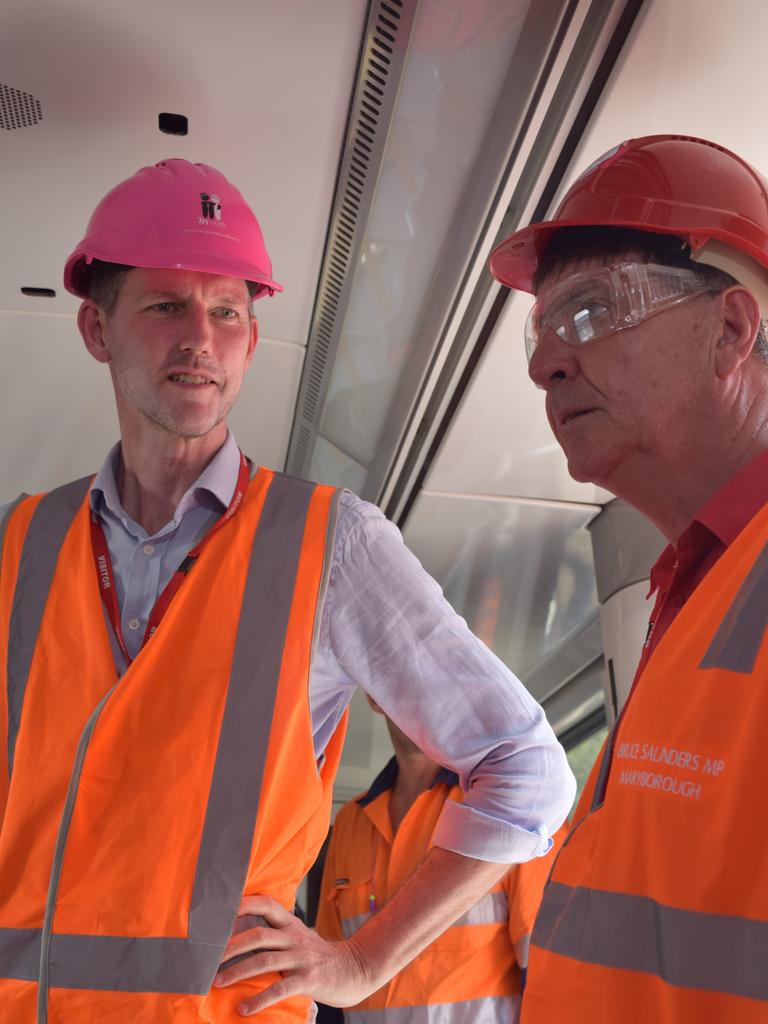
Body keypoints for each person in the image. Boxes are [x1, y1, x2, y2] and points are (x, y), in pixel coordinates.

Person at [0, 158, 574, 1023]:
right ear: (96, 327)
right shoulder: (16, 542)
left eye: (227, 311)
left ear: (251, 340)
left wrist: (361, 964)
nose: (201, 337)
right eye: (164, 305)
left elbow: (527, 769)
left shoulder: (333, 543)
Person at [489, 133, 768, 1022]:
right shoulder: (692, 593)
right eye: (544, 330)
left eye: (591, 311)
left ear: (729, 330)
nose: (543, 365)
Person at [315, 699, 566, 1023]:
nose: (419, 696)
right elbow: (327, 984)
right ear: (376, 697)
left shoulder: (513, 809)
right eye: (405, 679)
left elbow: (549, 980)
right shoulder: (350, 820)